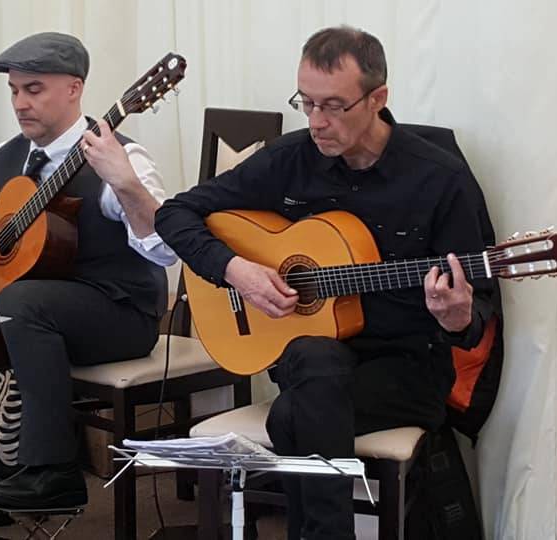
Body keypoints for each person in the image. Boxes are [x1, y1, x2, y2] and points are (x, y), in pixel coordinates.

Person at [155, 26, 493, 540]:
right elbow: (176, 213)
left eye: (333, 106)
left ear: (378, 98)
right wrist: (236, 270)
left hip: (405, 368)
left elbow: (477, 311)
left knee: (295, 414)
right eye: (306, 103)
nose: (316, 122)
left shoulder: (439, 180)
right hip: (311, 359)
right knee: (314, 362)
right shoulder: (291, 159)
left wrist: (457, 315)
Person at [0, 31, 177, 526]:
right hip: (30, 320)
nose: (20, 103)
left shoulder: (122, 155)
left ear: (74, 88)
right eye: (15, 91)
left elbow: (166, 249)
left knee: (23, 301)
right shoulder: (8, 158)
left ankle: (53, 472)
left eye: (34, 89)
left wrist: (126, 183)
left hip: (119, 314)